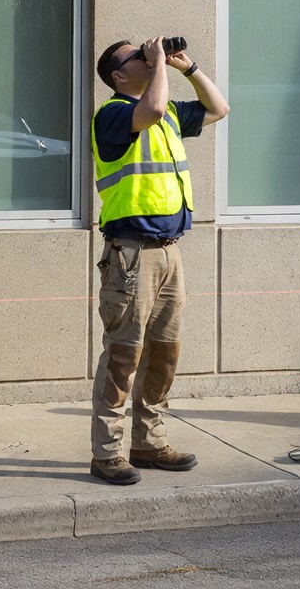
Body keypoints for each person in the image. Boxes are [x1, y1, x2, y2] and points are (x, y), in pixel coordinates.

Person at [88, 34, 229, 485]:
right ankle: (107, 454)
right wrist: (160, 69)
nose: (147, 58)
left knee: (163, 355)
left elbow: (218, 108)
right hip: (130, 255)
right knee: (123, 356)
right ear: (119, 75)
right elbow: (146, 111)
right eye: (137, 57)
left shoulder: (166, 111)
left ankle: (147, 443)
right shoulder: (113, 115)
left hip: (169, 253)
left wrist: (186, 67)